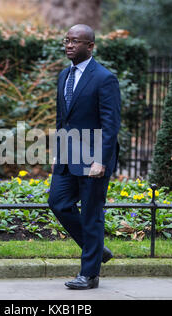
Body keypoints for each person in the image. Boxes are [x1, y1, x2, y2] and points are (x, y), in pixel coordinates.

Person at [48, 24, 121, 289]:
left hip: (93, 159)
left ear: (90, 46)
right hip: (68, 156)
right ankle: (97, 250)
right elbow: (61, 120)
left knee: (91, 214)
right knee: (57, 202)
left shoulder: (104, 78)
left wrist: (100, 160)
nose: (69, 45)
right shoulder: (63, 76)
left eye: (75, 41)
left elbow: (110, 125)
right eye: (67, 40)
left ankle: (89, 275)